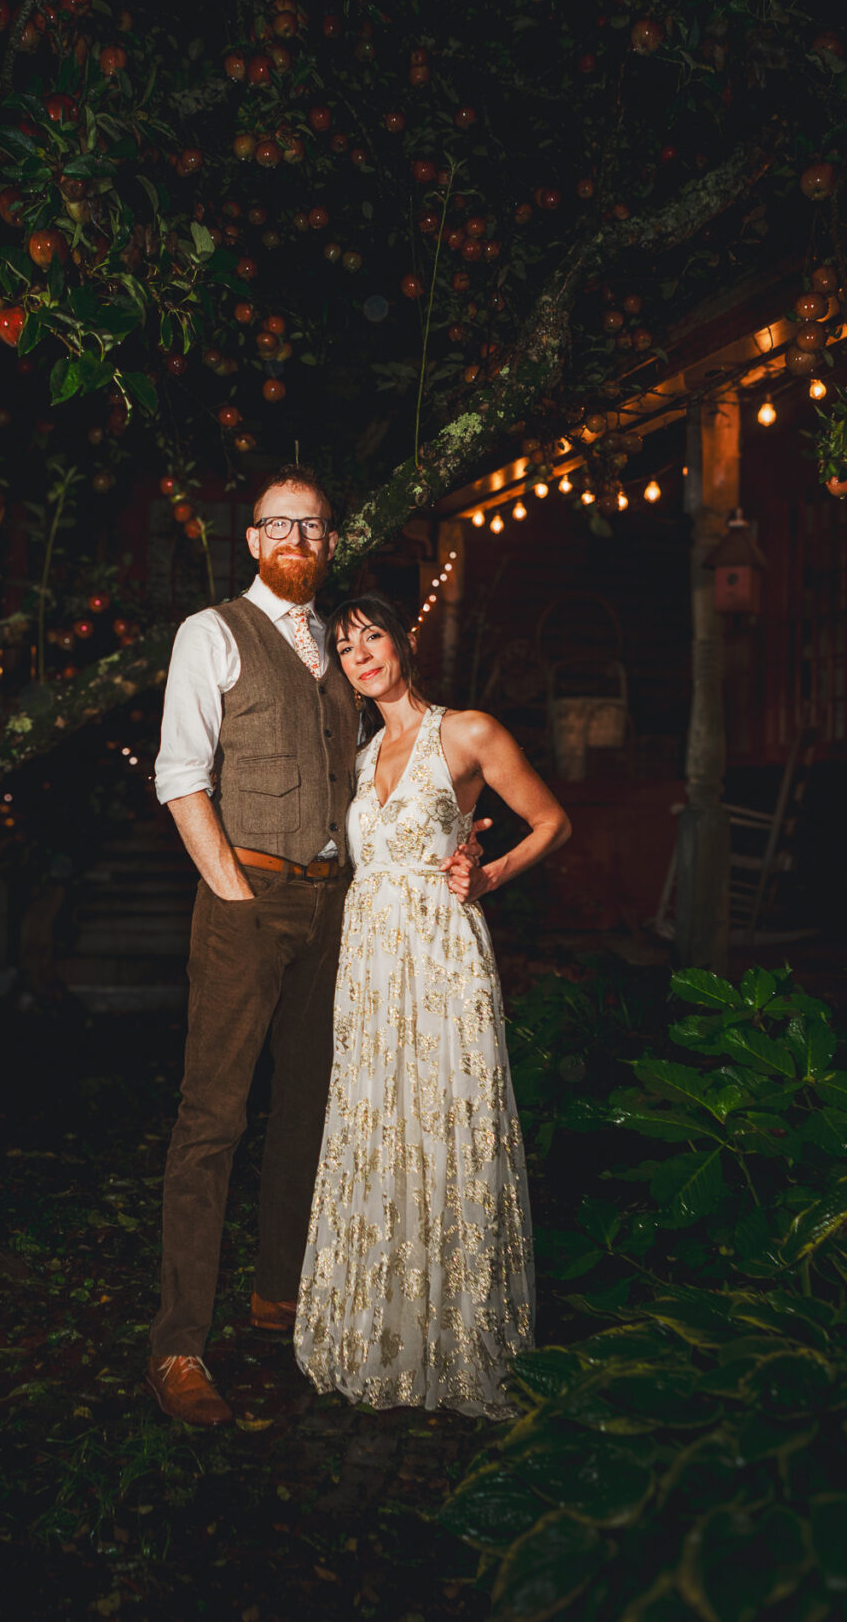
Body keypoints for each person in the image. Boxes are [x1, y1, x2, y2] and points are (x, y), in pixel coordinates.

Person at [144, 469, 482, 1427]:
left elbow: (408, 768)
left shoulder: (344, 655)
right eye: (279, 524)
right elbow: (180, 775)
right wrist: (232, 888)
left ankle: (278, 1296)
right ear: (252, 540)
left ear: (330, 543)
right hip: (246, 898)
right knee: (213, 1120)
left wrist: (461, 849)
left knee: (307, 1109)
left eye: (315, 525)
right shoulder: (212, 633)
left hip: (341, 911)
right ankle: (177, 1345)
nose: (299, 537)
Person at [294, 592, 569, 1419]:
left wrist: (487, 874)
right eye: (345, 648)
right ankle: (379, 1325)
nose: (362, 655)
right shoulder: (358, 753)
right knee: (379, 1126)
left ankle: (458, 1336)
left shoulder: (467, 730)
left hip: (443, 960)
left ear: (401, 641)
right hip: (370, 963)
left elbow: (552, 820)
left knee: (448, 1121)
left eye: (371, 636)